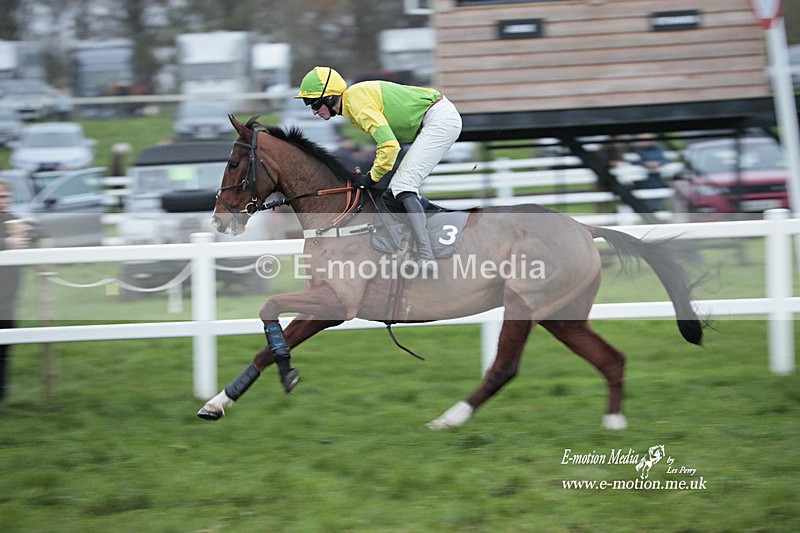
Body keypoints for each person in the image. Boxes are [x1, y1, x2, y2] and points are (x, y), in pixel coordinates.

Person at [294, 66, 463, 270]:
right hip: (433, 120)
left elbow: (390, 146)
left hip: (438, 120)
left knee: (403, 186)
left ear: (329, 97)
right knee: (395, 191)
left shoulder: (356, 104)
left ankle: (426, 258)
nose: (313, 111)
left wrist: (371, 177)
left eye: (313, 103)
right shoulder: (352, 104)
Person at [0, 178, 31, 403]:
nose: (3, 202)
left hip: (8, 299)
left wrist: (29, 235)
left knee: (4, 350)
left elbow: (34, 235)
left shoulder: (13, 221)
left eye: (5, 197)